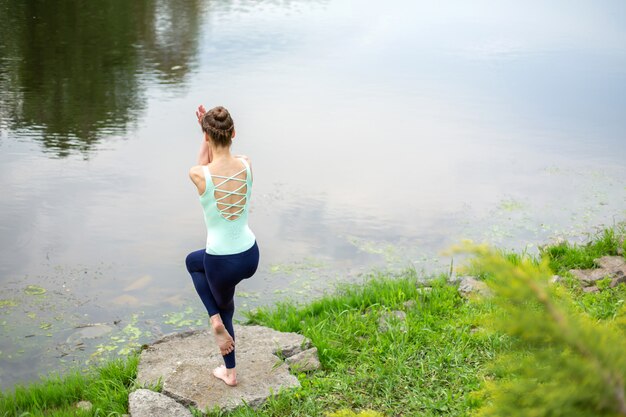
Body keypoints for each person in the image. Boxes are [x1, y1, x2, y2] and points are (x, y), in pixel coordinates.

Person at [185, 105, 259, 386]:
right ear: (234, 133)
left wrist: (203, 133)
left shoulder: (199, 174)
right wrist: (206, 130)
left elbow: (204, 164)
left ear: (207, 136)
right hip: (250, 255)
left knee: (225, 308)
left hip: (221, 261)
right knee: (194, 261)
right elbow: (221, 157)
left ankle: (229, 370)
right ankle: (217, 317)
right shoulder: (247, 163)